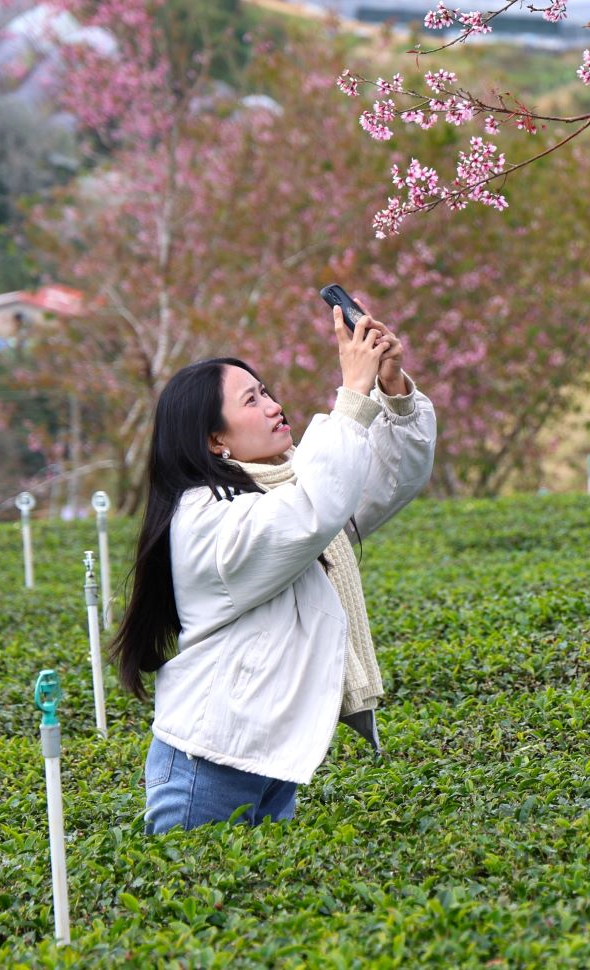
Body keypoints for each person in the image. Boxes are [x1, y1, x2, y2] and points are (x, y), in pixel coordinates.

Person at [111, 307, 435, 833]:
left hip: (271, 756)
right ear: (215, 440)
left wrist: (391, 391)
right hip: (209, 763)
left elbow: (382, 480)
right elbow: (316, 508)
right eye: (251, 400)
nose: (274, 405)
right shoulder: (206, 518)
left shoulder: (281, 486)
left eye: (266, 391)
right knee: (190, 903)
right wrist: (351, 393)